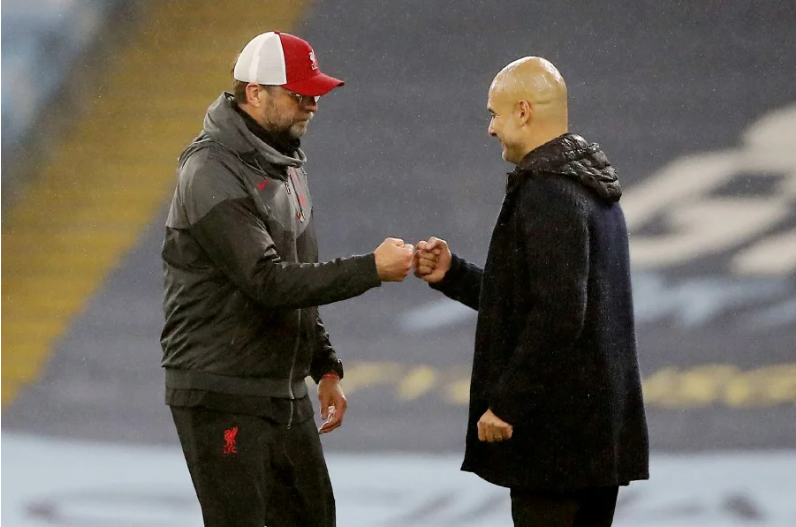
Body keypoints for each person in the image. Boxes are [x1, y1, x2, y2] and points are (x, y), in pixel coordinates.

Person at [160, 31, 413, 527]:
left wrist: (325, 365)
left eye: (315, 93)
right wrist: (371, 269)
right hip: (223, 390)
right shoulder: (211, 168)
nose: (313, 105)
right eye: (300, 94)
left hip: (279, 387)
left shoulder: (284, 161)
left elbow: (293, 269)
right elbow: (268, 282)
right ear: (255, 92)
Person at [414, 57, 649, 526]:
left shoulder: (548, 191)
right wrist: (453, 274)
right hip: (594, 433)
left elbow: (560, 313)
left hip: (555, 442)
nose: (490, 129)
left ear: (523, 111)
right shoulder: (589, 183)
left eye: (494, 114)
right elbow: (534, 300)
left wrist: (508, 401)